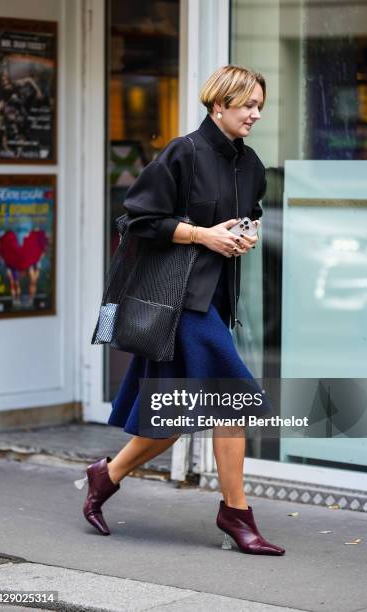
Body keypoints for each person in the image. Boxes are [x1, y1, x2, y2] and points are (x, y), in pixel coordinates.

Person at [80, 65, 285, 556]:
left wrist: (246, 235)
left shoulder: (250, 163)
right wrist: (203, 234)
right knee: (233, 398)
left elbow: (251, 215)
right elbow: (139, 219)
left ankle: (105, 477)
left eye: (260, 105)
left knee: (170, 415)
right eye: (247, 105)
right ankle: (236, 514)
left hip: (214, 299)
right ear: (219, 106)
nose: (256, 114)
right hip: (179, 301)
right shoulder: (183, 152)